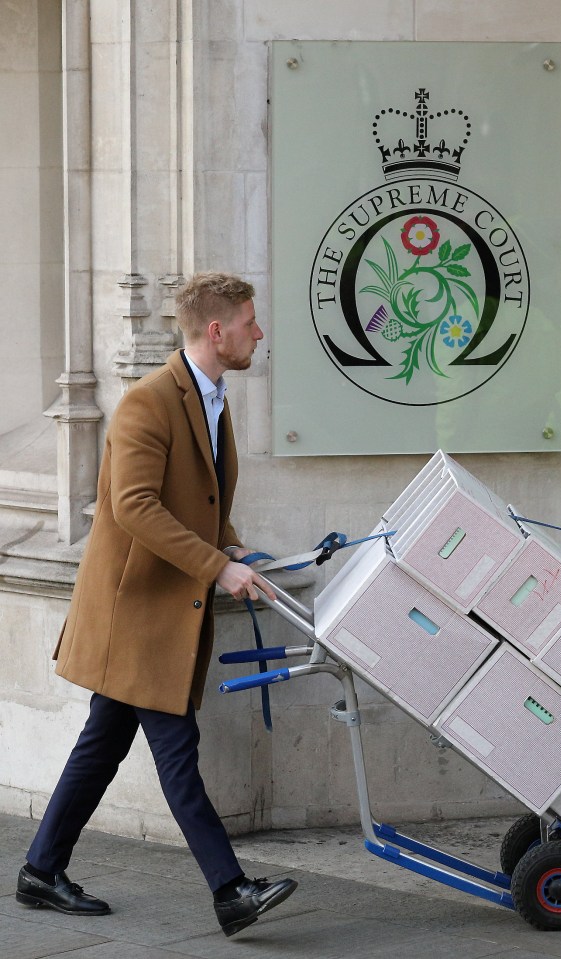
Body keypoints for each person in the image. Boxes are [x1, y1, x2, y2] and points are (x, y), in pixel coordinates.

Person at [15, 272, 297, 936]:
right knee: (175, 749)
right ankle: (230, 890)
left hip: (158, 612)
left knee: (101, 744)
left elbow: (199, 503)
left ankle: (39, 870)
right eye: (251, 322)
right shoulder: (148, 403)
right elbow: (133, 506)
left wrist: (235, 549)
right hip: (135, 616)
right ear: (217, 331)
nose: (260, 333)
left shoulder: (213, 397)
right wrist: (217, 565)